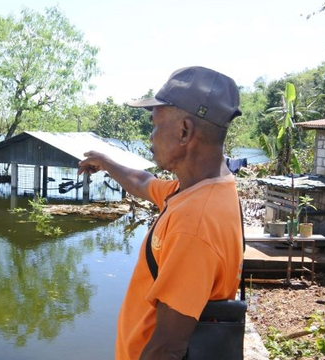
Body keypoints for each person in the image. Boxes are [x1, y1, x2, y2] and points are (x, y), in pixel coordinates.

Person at [78, 66, 244, 360]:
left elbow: (168, 349)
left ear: (184, 131)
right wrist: (106, 162)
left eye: (154, 125)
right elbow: (144, 183)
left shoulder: (195, 223)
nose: (150, 137)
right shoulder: (200, 189)